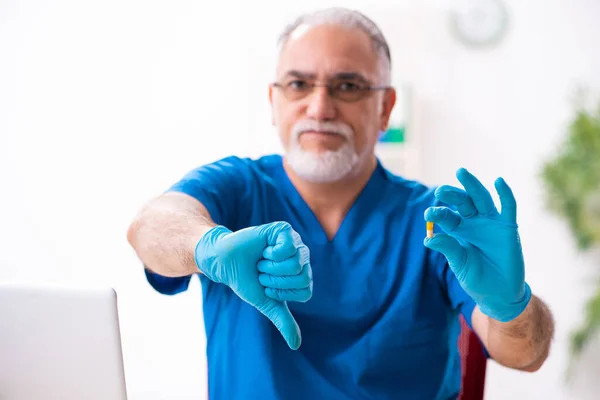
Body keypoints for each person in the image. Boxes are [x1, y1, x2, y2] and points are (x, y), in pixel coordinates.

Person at [127, 7, 555, 400]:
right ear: (273, 102)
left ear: (385, 108)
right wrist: (207, 247)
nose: (320, 106)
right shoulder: (238, 188)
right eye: (298, 84)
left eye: (347, 86)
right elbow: (152, 225)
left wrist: (511, 307)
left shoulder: (434, 221)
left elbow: (523, 353)